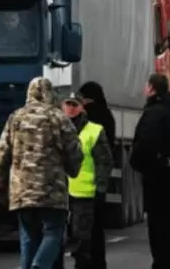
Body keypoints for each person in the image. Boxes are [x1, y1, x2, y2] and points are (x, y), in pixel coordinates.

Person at [0, 77, 83, 269]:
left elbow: (1, 157)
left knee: (28, 237)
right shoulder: (59, 118)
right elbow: (74, 151)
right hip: (52, 191)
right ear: (51, 94)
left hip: (22, 191)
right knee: (53, 233)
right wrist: (73, 171)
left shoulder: (15, 118)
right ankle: (40, 265)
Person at [130, 73, 170, 269]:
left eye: (147, 86)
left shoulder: (154, 113)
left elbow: (145, 144)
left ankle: (161, 262)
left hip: (156, 174)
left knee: (156, 223)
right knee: (167, 220)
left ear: (152, 89)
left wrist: (138, 163)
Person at [61, 92, 112, 269]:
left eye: (75, 104)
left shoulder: (94, 130)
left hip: (84, 192)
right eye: (68, 104)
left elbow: (103, 162)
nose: (71, 108)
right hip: (60, 193)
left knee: (81, 236)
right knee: (62, 236)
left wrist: (101, 187)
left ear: (82, 107)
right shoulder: (57, 129)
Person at [75, 82, 115, 269]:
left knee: (83, 231)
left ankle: (87, 264)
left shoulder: (88, 119)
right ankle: (100, 263)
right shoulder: (107, 115)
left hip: (82, 185)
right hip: (98, 182)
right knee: (98, 228)